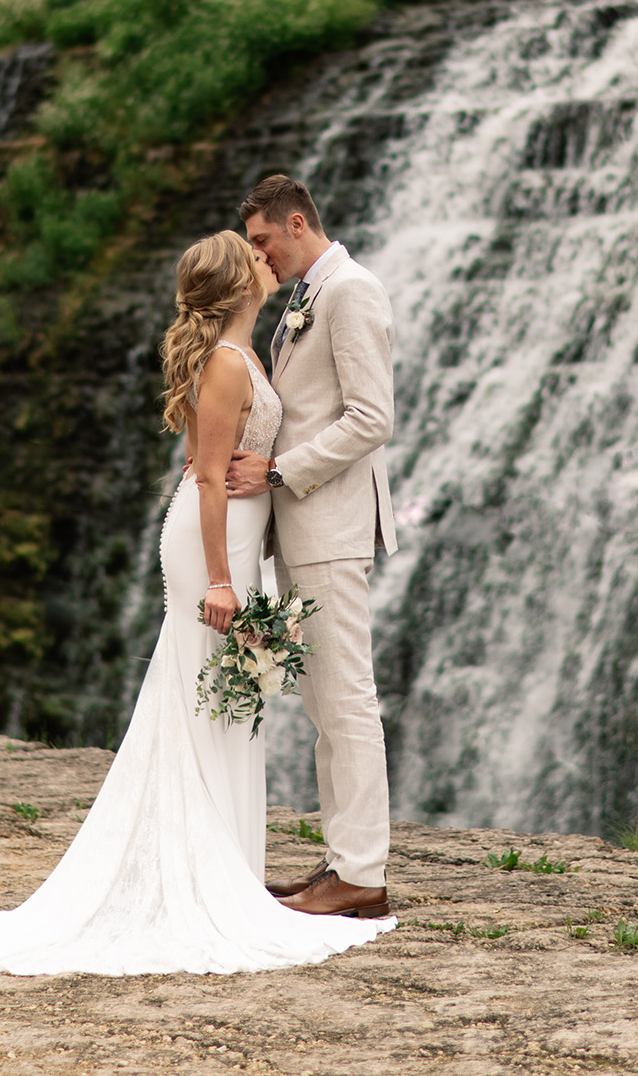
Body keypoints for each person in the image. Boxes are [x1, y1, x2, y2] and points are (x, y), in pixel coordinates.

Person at [0, 230, 393, 975]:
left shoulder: (248, 353)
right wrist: (225, 578)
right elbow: (204, 479)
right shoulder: (229, 363)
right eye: (253, 254)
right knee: (202, 701)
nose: (268, 259)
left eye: (265, 244)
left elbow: (212, 456)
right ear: (234, 285)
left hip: (232, 546)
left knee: (220, 705)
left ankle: (219, 863)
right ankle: (198, 872)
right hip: (209, 555)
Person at [227, 173, 395, 920]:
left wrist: (280, 470)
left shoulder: (350, 290)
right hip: (303, 526)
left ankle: (361, 872)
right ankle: (342, 860)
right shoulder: (306, 295)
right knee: (328, 703)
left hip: (327, 522)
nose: (257, 256)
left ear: (297, 223)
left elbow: (370, 417)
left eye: (263, 240)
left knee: (348, 699)